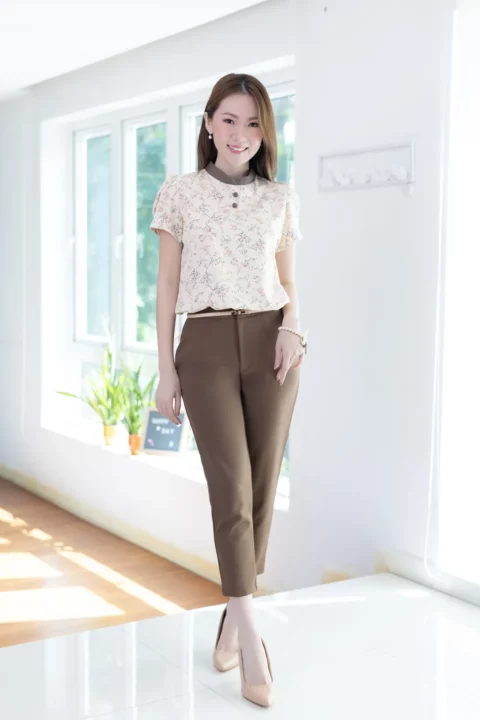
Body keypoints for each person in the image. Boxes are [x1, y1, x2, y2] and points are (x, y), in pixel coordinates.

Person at [150, 72, 306, 708]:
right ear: (209, 123)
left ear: (265, 131)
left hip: (274, 344)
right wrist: (166, 370)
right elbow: (166, 286)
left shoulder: (280, 198)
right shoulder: (179, 192)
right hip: (207, 345)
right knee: (232, 489)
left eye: (253, 122)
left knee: (262, 487)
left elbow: (289, 280)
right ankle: (252, 637)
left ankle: (231, 621)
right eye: (230, 120)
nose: (241, 134)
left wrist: (294, 329)